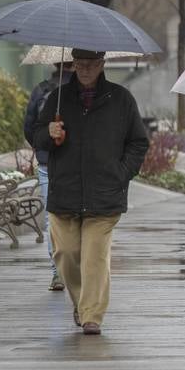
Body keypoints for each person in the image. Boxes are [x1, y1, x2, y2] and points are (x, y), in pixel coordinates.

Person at [34, 47, 150, 335]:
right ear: (72, 65)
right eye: (79, 64)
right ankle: (83, 302)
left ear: (101, 64)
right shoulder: (58, 98)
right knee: (66, 254)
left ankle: (91, 316)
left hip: (105, 193)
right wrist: (48, 133)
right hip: (66, 192)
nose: (84, 70)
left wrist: (121, 174)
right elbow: (35, 134)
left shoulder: (121, 99)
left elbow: (138, 142)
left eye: (90, 64)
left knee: (94, 257)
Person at [23, 60, 73, 291]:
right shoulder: (82, 93)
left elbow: (29, 127)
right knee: (74, 217)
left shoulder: (41, 89)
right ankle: (73, 268)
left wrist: (42, 145)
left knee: (50, 219)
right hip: (73, 164)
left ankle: (57, 274)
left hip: (45, 163)